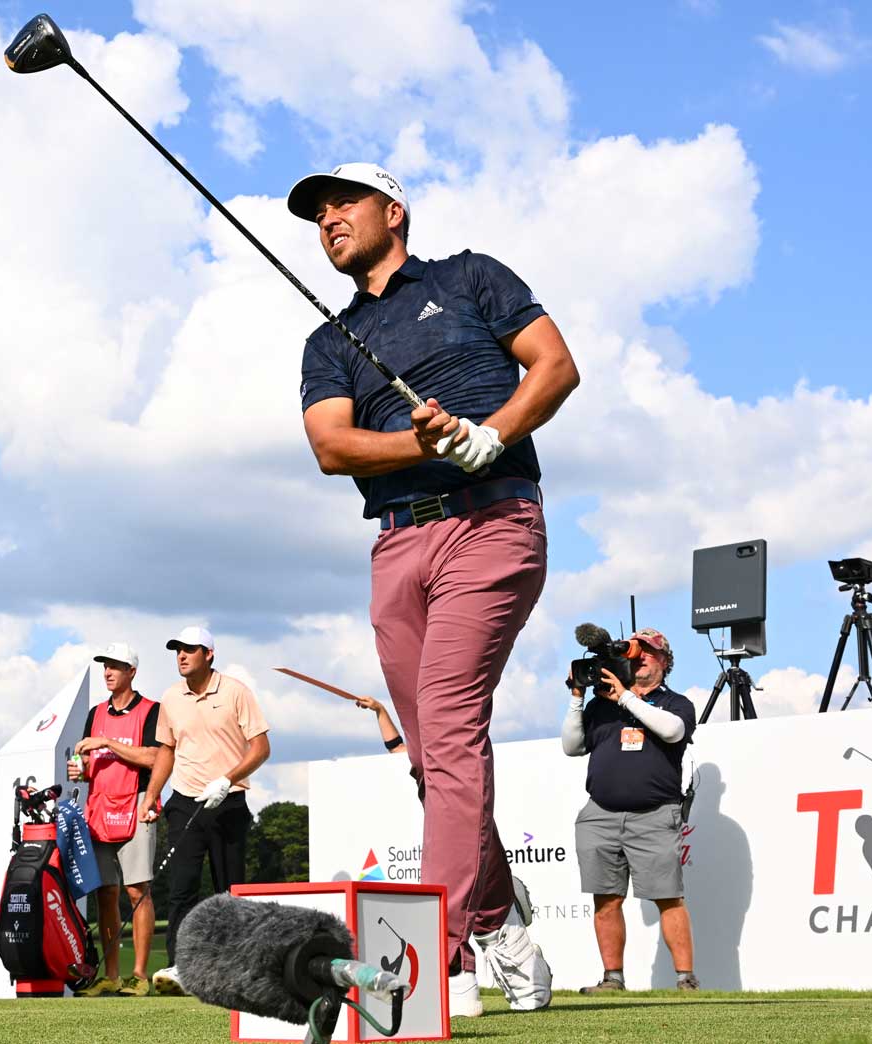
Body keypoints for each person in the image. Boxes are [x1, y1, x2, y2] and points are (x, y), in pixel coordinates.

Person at [287, 162, 579, 1015]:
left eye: (342, 202)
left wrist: (489, 435)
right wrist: (425, 444)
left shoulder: (469, 278)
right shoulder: (330, 340)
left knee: (450, 731)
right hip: (395, 545)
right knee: (430, 758)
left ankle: (437, 962)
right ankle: (501, 921)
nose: (328, 219)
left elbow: (555, 366)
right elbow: (332, 447)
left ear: (393, 210)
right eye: (317, 213)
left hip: (492, 524)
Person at [561, 627, 699, 992]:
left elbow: (672, 731)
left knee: (668, 898)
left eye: (647, 652)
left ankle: (685, 980)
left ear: (664, 661)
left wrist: (625, 698)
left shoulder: (676, 703)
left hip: (655, 815)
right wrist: (577, 698)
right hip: (600, 814)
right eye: (633, 653)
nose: (639, 658)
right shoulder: (602, 705)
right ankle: (612, 979)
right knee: (606, 900)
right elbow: (572, 747)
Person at [141, 626, 271, 997]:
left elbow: (261, 748)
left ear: (208, 654)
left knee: (229, 889)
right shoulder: (171, 697)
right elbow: (166, 750)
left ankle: (237, 968)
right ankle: (180, 967)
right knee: (181, 888)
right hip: (185, 802)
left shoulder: (235, 692)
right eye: (177, 650)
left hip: (228, 801)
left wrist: (228, 779)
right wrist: (152, 794)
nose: (181, 656)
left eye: (189, 649)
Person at [67, 642, 161, 997]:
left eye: (115, 666)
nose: (107, 672)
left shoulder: (151, 710)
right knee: (106, 893)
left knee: (137, 889)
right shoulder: (95, 713)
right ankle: (111, 975)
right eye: (105, 666)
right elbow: (89, 764)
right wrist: (81, 770)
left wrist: (106, 742)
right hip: (100, 806)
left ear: (131, 672)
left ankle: (139, 975)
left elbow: (153, 757)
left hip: (136, 804)